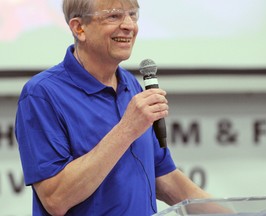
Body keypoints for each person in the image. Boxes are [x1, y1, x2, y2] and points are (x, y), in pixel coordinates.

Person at [15, 0, 219, 215]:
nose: (130, 25)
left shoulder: (131, 85)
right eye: (114, 16)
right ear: (79, 28)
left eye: (133, 15)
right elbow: (56, 199)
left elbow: (165, 177)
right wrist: (127, 129)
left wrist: (234, 212)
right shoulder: (41, 94)